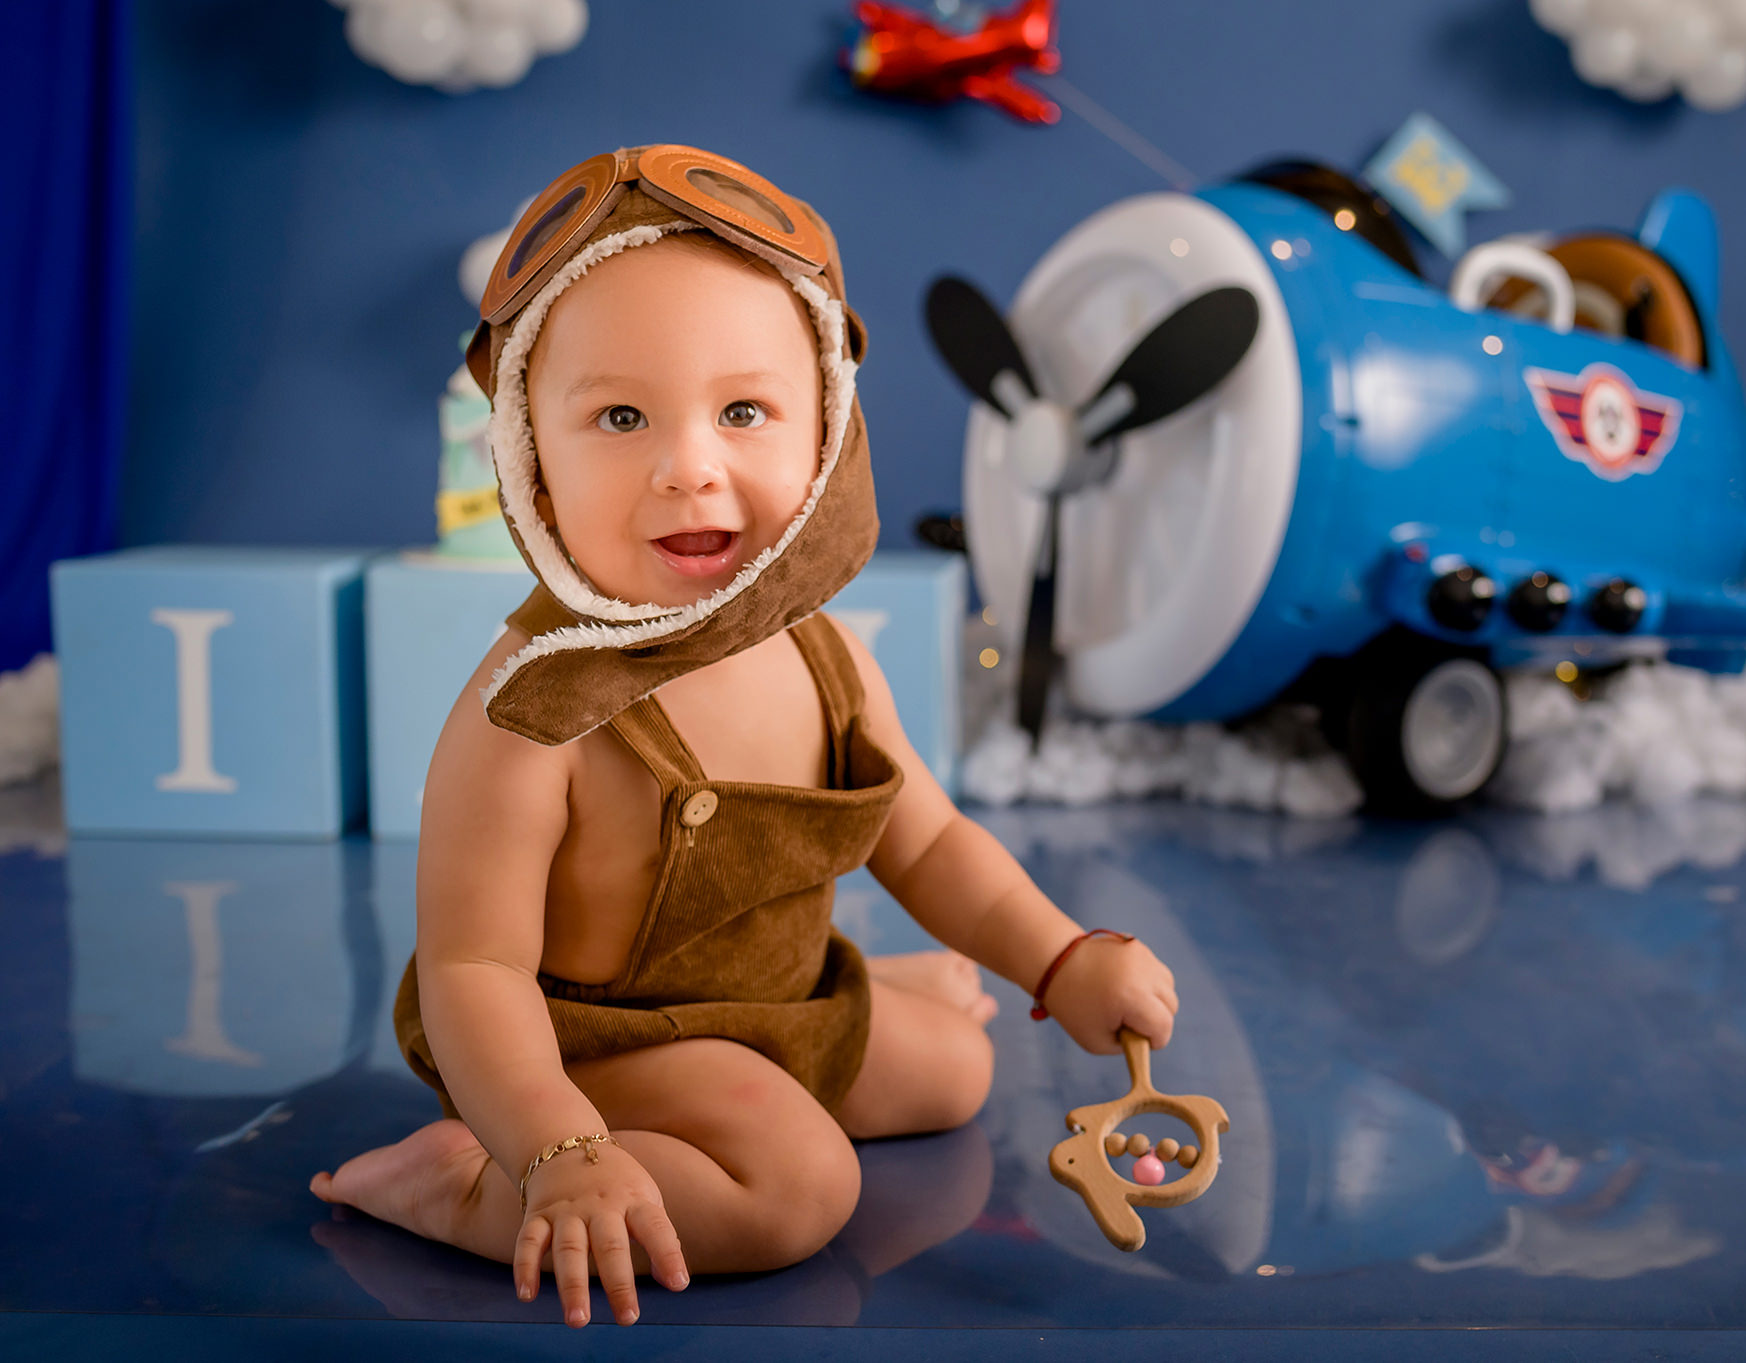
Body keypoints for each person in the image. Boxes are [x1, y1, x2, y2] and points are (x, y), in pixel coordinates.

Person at [308, 146, 1179, 1328]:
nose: (689, 468)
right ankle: (463, 1182)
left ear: (824, 432)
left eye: (743, 411)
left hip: (768, 1002)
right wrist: (554, 1140)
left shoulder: (825, 654)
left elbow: (926, 843)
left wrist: (1061, 958)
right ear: (531, 463)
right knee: (797, 1191)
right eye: (620, 416)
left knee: (958, 1071)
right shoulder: (532, 714)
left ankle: (831, 996)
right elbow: (474, 971)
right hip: (588, 1045)